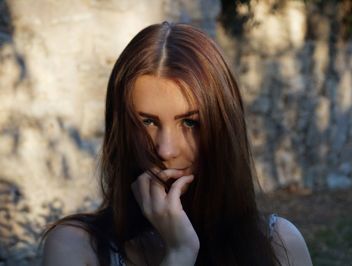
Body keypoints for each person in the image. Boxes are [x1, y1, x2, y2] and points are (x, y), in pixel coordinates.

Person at [41, 22, 312, 266]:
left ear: (224, 130)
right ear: (121, 128)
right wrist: (180, 253)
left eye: (190, 123)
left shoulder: (279, 245)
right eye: (147, 122)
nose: (165, 150)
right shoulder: (75, 247)